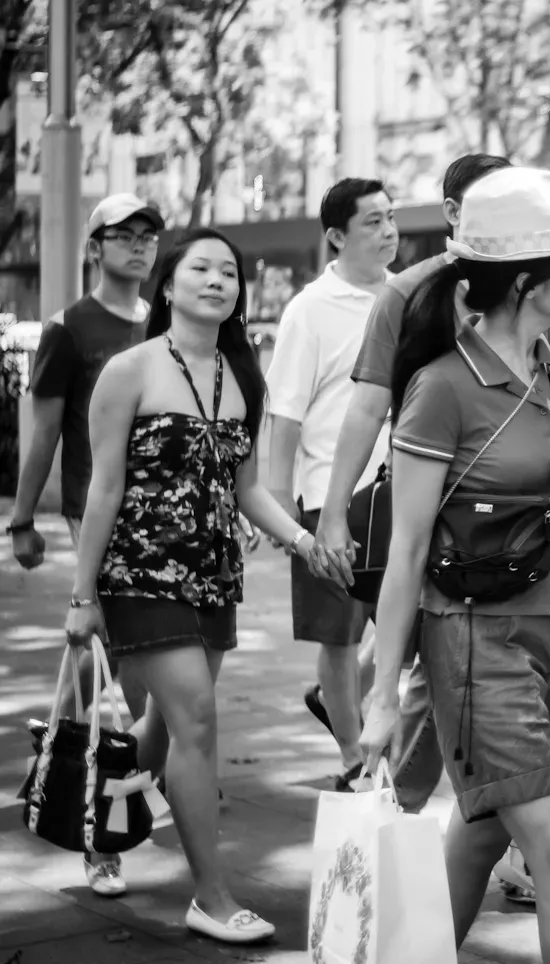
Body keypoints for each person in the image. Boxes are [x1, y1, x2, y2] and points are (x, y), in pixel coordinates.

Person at [357, 167, 550, 962]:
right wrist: (384, 694)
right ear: (528, 281)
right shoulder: (442, 388)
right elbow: (408, 550)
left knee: (483, 834)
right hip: (475, 645)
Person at [66, 229, 331, 944]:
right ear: (170, 284)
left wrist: (305, 541)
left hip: (213, 576)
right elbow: (104, 488)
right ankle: (210, 897)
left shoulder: (242, 374)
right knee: (199, 723)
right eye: (201, 269)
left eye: (229, 272)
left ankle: (102, 820)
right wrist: (83, 596)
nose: (218, 281)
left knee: (165, 727)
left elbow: (248, 489)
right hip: (138, 574)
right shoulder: (130, 369)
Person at [311, 153, 511, 813]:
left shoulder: (530, 288)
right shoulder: (411, 294)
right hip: (427, 512)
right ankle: (391, 816)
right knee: (426, 663)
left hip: (510, 525)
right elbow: (367, 408)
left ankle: (423, 814)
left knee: (460, 678)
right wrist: (334, 513)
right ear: (454, 215)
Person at [8, 193, 166, 897]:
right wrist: (21, 519)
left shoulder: (168, 320)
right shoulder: (69, 329)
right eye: (123, 235)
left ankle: (82, 788)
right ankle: (101, 830)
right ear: (96, 246)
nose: (138, 246)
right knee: (123, 673)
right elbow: (42, 430)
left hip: (168, 525)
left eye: (148, 235)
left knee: (96, 668)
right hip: (92, 514)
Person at [263, 178, 394, 788]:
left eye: (390, 218)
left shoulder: (405, 297)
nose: (388, 231)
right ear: (337, 235)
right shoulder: (309, 309)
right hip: (328, 498)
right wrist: (284, 511)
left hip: (402, 492)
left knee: (405, 623)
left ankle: (346, 706)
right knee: (338, 636)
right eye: (372, 221)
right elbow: (284, 413)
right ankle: (350, 759)